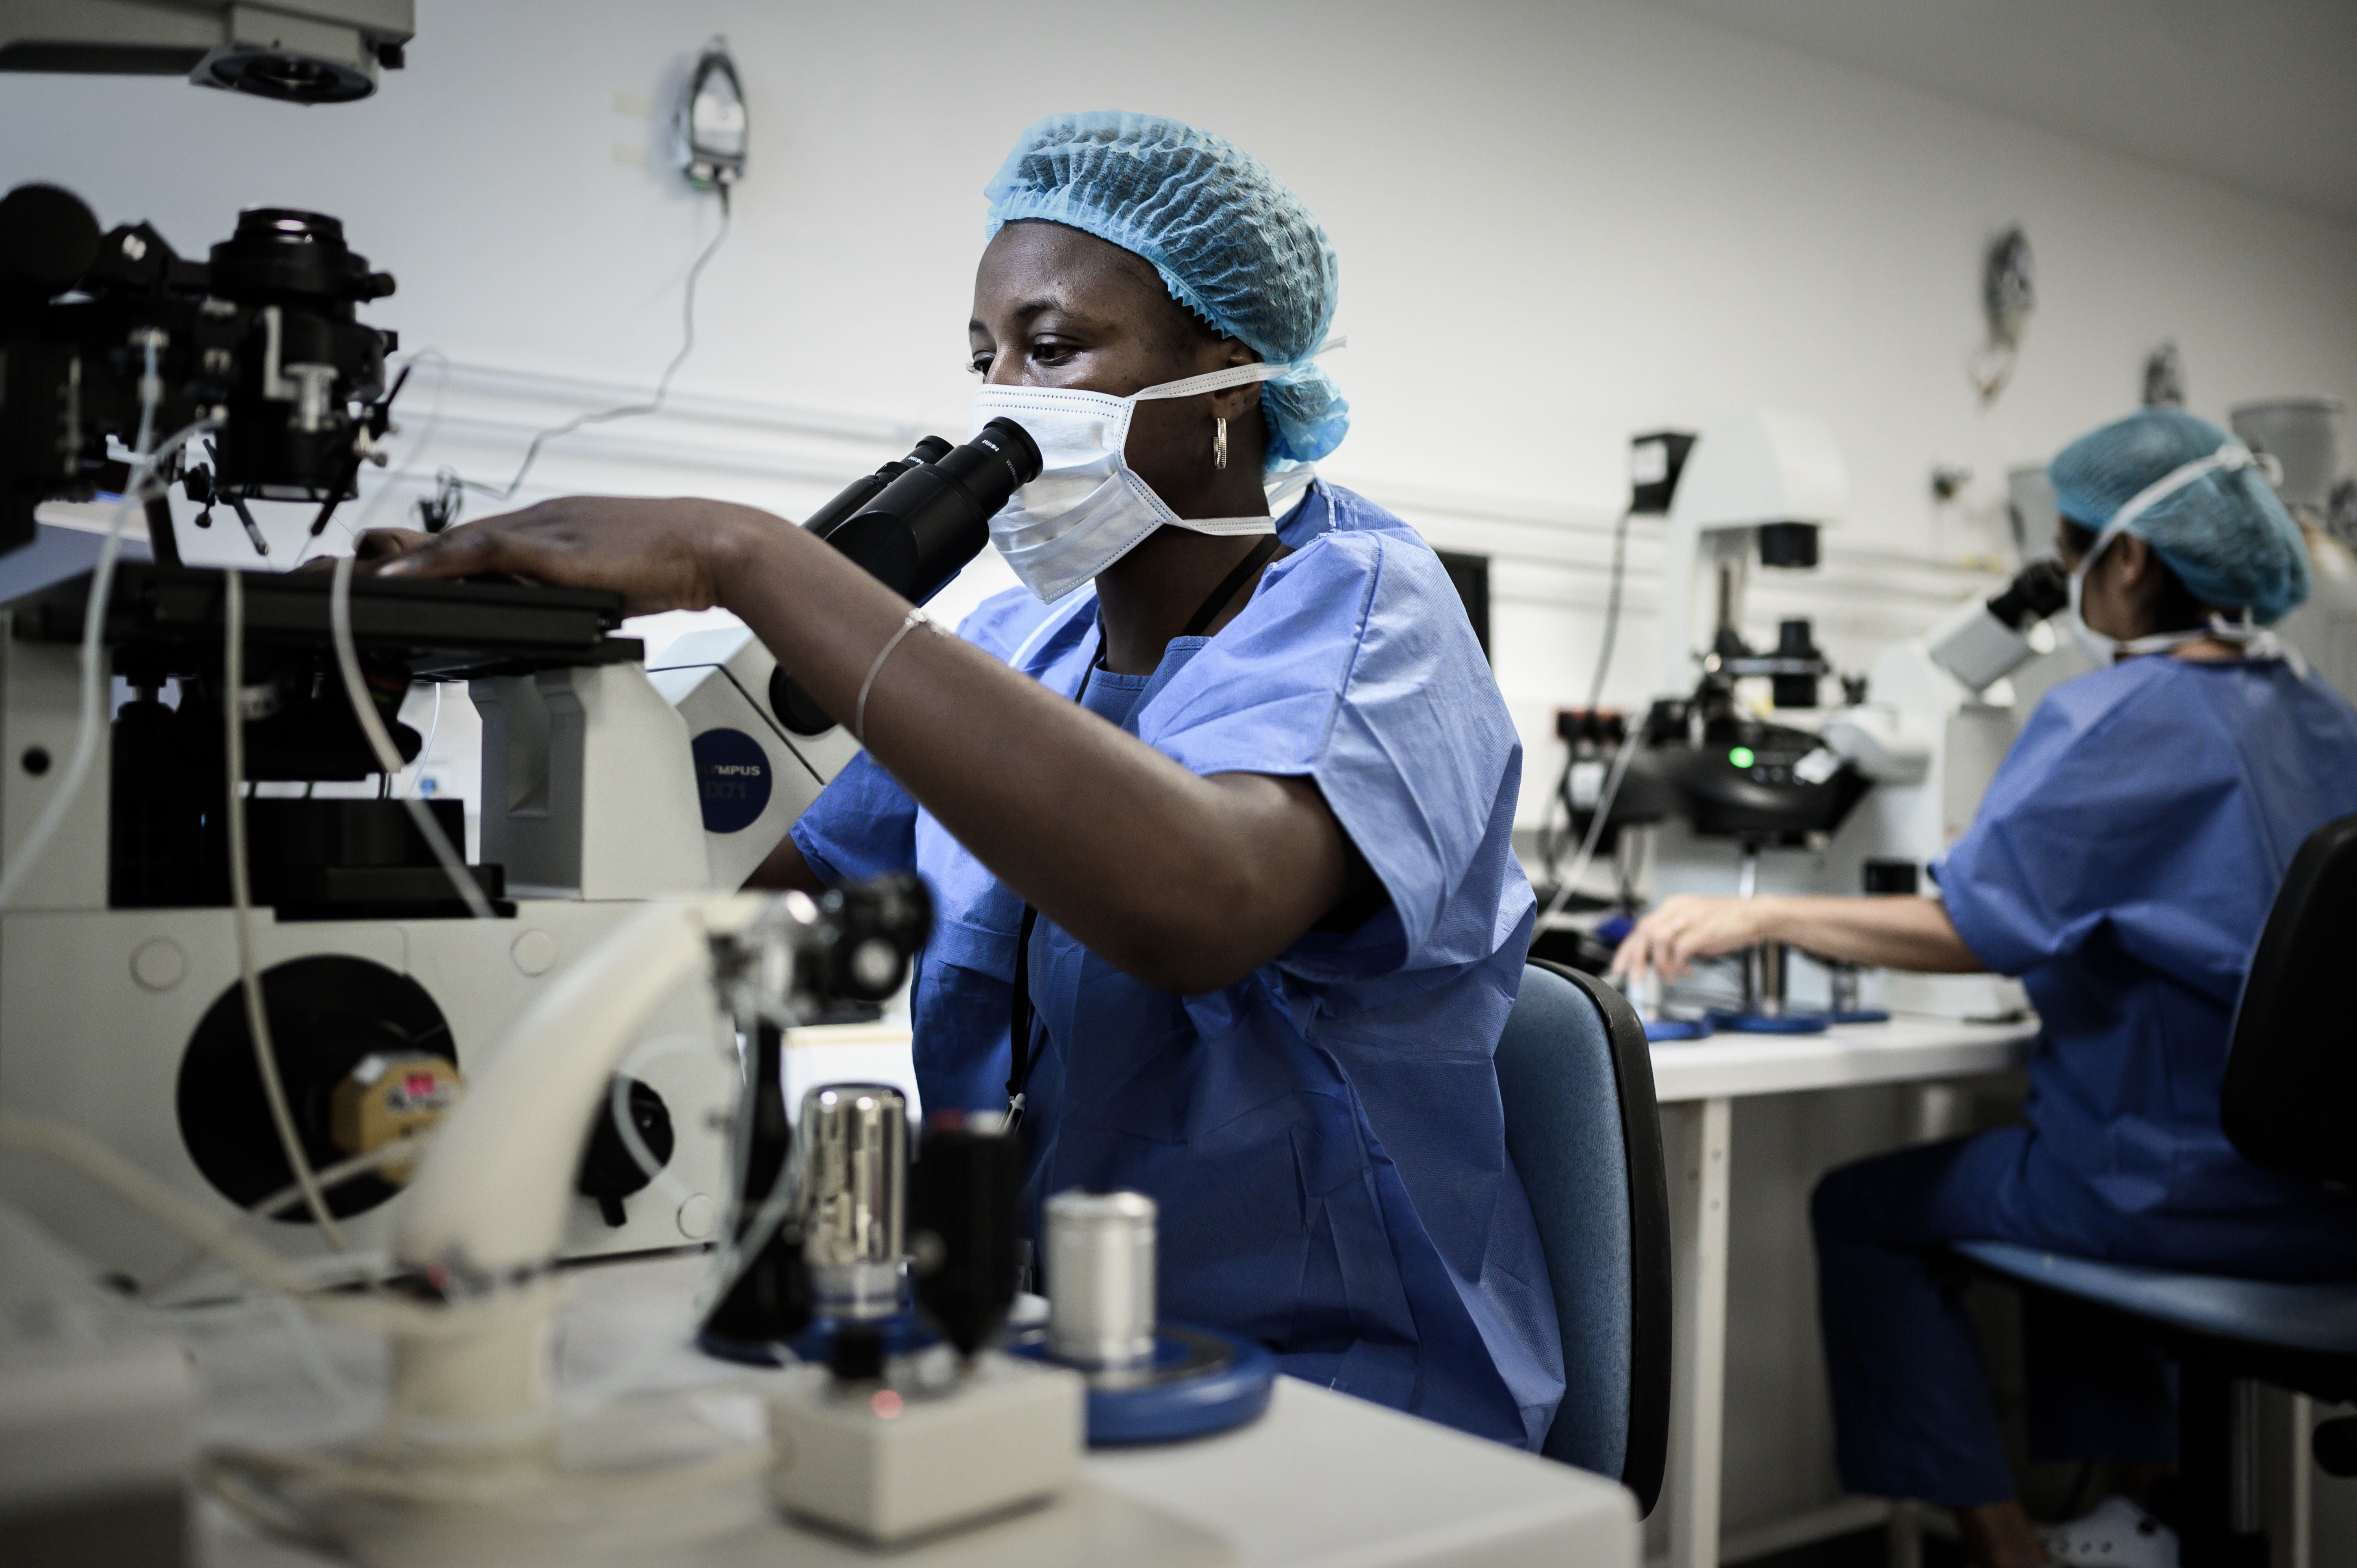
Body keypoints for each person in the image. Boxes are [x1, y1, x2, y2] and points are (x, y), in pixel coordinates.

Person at [363, 112, 1563, 1449]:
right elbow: (727, 874)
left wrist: (749, 555)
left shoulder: (1366, 607)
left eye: (1051, 351)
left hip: (1332, 1392)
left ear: (1229, 379)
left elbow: (1196, 900)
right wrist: (502, 666)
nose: (1004, 396)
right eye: (984, 357)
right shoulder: (1019, 645)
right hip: (1017, 1349)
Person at [1612, 408, 2357, 1566]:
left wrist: (1759, 911)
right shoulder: (2324, 709)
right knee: (2035, 1135)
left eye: (2068, 554)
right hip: (2326, 1201)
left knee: (1863, 1207)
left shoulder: (2116, 715)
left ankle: (2008, 1547)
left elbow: (1972, 926)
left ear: (2124, 559)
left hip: (2173, 1188)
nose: (2062, 583)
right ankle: (2144, 1506)